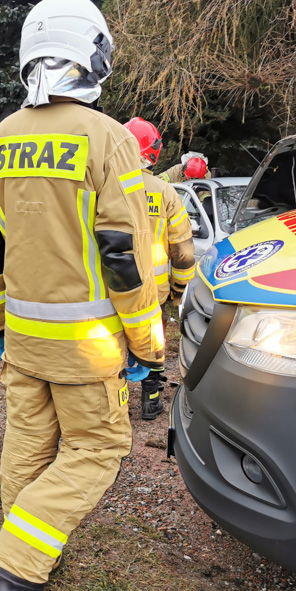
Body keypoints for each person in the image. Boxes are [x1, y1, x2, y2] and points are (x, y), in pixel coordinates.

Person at [0, 0, 164, 591]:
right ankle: (15, 582)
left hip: (22, 342)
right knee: (97, 448)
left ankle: (24, 548)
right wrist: (147, 347)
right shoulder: (109, 139)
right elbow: (124, 257)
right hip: (89, 345)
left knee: (27, 442)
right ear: (93, 55)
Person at [124, 117, 195, 420]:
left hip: (112, 287)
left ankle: (112, 399)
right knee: (153, 341)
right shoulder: (166, 193)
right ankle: (151, 398)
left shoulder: (104, 186)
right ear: (152, 152)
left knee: (113, 342)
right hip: (154, 292)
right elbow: (182, 252)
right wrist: (179, 292)